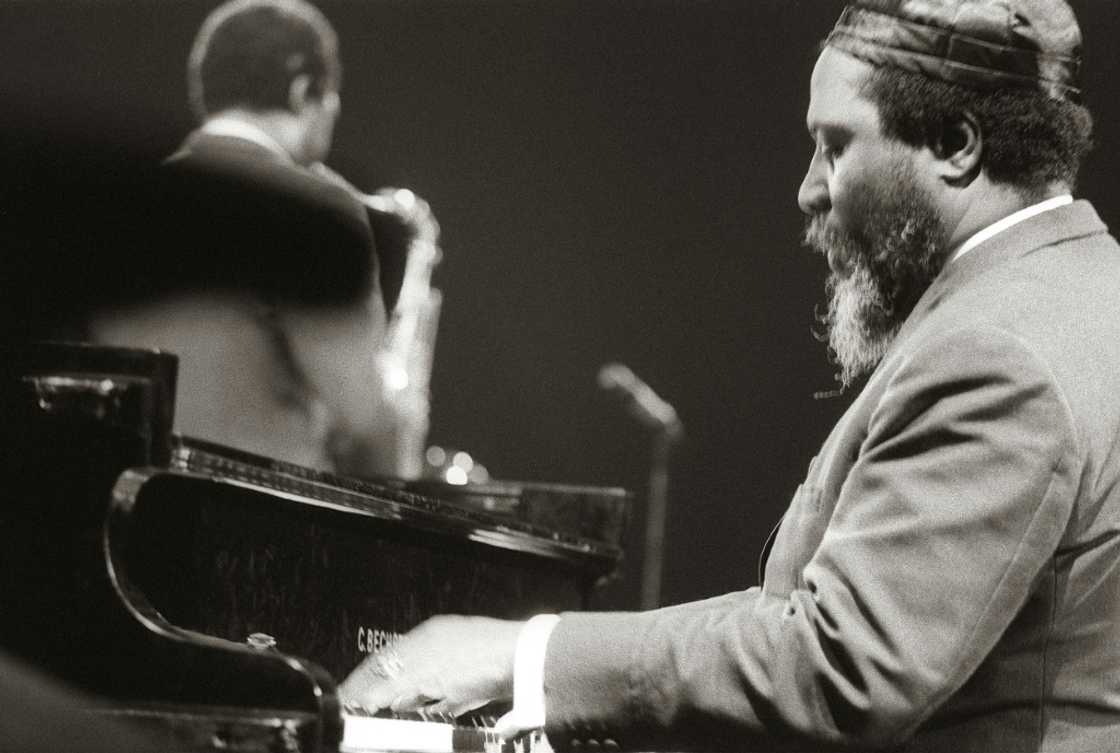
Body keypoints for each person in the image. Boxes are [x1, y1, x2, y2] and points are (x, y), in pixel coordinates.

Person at [338, 1, 1120, 751]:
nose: (809, 188)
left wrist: (523, 657)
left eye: (837, 145)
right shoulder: (1086, 293)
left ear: (956, 143)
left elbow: (843, 666)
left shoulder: (995, 351)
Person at [88, 0, 405, 474]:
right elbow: (365, 420)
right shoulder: (316, 207)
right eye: (331, 98)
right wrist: (400, 406)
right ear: (303, 92)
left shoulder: (124, 204)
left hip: (140, 515)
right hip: (268, 529)